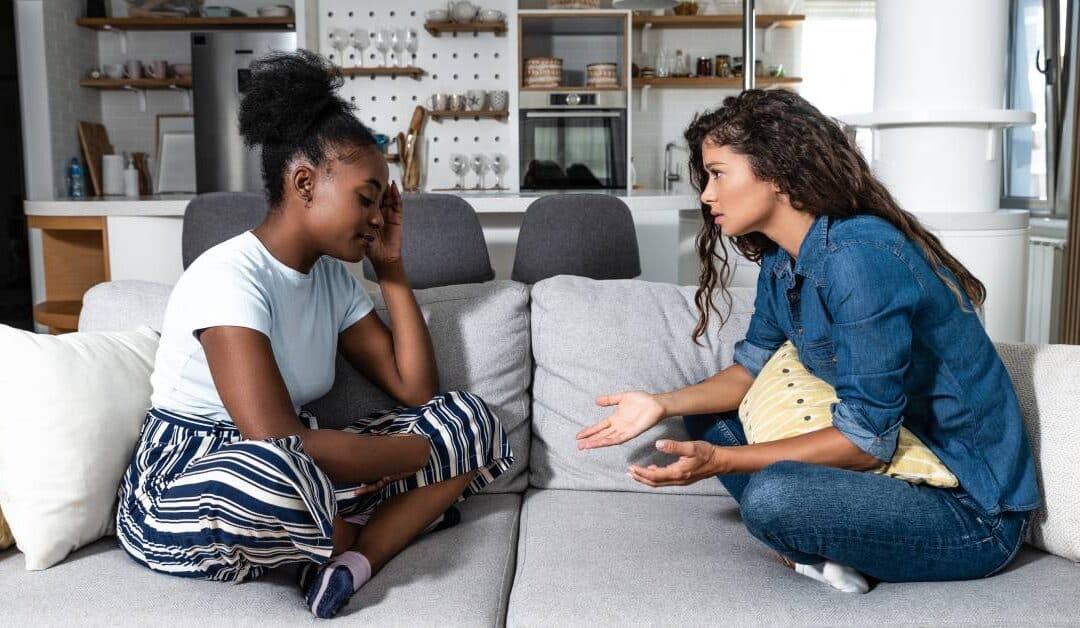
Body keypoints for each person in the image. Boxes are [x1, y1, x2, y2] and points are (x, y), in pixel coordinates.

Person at [576, 89, 1038, 593]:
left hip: (968, 511)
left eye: (717, 173)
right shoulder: (785, 259)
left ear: (775, 172)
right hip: (892, 475)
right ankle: (830, 546)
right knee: (706, 418)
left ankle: (814, 546)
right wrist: (658, 404)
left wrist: (722, 462)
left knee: (774, 497)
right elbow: (751, 370)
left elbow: (866, 442)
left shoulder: (860, 259)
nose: (706, 195)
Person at [115, 50, 513, 619]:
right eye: (366, 198)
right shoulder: (226, 276)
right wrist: (414, 457)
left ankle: (350, 561)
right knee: (278, 476)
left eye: (382, 204)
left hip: (308, 459)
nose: (378, 217)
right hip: (198, 473)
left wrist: (391, 268)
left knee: (471, 418)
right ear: (304, 183)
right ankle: (385, 521)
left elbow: (414, 390)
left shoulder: (333, 278)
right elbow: (274, 440)